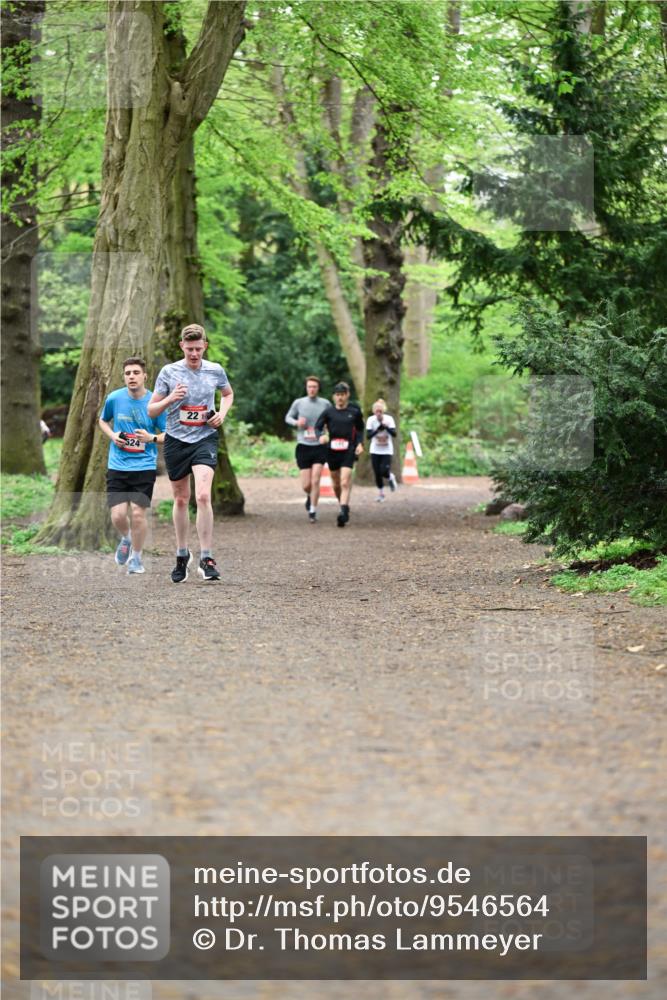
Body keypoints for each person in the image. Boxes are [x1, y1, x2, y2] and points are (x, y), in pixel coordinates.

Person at [148, 324, 233, 583]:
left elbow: (227, 394)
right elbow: (152, 410)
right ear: (181, 347)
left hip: (204, 438)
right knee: (182, 499)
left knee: (204, 495)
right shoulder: (169, 372)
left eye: (198, 349)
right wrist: (171, 398)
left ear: (205, 346)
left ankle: (207, 558)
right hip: (176, 440)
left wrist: (221, 414)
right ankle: (182, 556)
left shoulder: (215, 370)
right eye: (189, 349)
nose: (194, 354)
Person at [99, 357, 166, 575]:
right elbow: (102, 420)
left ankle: (136, 559)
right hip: (118, 465)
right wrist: (113, 435)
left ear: (145, 376)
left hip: (144, 466)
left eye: (136, 372)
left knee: (138, 514)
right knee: (118, 516)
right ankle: (126, 538)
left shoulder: (155, 403)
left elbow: (168, 434)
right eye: (128, 373)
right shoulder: (115, 398)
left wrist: (151, 438)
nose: (131, 377)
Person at [315, 381, 364, 527]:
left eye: (342, 395)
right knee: (336, 484)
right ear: (333, 397)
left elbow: (361, 429)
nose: (340, 398)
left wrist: (360, 444)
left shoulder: (354, 412)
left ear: (347, 395)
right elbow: (318, 427)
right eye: (337, 395)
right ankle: (344, 505)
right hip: (332, 450)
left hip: (348, 450)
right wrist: (321, 435)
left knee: (344, 481)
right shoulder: (328, 412)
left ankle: (343, 512)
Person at [285, 375, 331, 523]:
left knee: (316, 479)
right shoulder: (299, 403)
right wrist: (297, 422)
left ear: (318, 388)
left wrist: (327, 431)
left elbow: (332, 419)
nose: (312, 389)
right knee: (306, 484)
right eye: (309, 387)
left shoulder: (325, 404)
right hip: (303, 445)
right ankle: (309, 496)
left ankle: (313, 511)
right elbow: (288, 418)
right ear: (306, 388)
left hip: (319, 446)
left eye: (314, 387)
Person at [366, 398, 398, 501]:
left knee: (384, 470)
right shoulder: (371, 420)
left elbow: (394, 434)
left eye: (380, 411)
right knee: (377, 473)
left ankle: (390, 477)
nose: (379, 413)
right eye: (377, 411)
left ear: (383, 411)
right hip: (375, 450)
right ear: (374, 412)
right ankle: (381, 494)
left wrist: (386, 427)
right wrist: (377, 430)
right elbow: (368, 436)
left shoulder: (389, 419)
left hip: (386, 450)